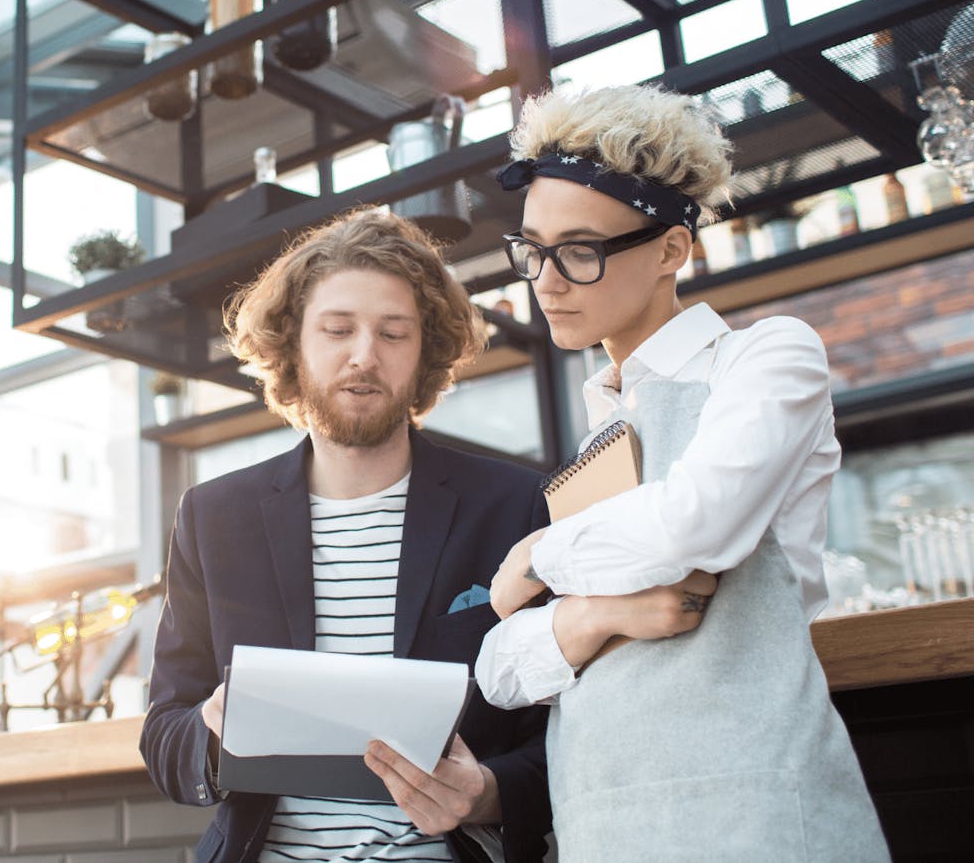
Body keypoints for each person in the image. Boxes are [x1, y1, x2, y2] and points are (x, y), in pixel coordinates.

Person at [476, 84, 890, 861]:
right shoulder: (598, 435)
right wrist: (596, 617)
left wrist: (539, 555)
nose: (546, 281)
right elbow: (501, 667)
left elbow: (699, 521)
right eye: (532, 249)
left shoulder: (767, 357)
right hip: (601, 820)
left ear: (671, 249)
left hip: (752, 813)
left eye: (580, 251)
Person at [140, 208, 554, 863]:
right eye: (337, 330)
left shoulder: (514, 506)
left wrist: (486, 793)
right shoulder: (214, 517)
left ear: (423, 356)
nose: (365, 355)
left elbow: (567, 730)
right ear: (293, 346)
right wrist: (214, 731)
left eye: (394, 333)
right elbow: (165, 736)